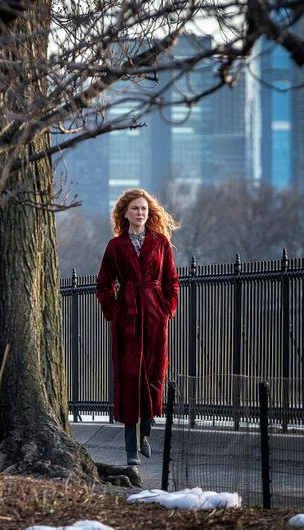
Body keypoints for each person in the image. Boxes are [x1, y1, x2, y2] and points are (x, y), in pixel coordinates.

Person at [96, 188, 179, 466]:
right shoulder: (115, 246)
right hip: (127, 319)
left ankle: (146, 432)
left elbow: (171, 280)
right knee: (129, 378)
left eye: (143, 208)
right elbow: (103, 283)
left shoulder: (160, 243)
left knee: (154, 375)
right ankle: (131, 449)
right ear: (125, 213)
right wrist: (114, 310)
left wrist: (167, 308)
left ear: (149, 211)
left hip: (156, 317)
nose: (140, 213)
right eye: (134, 209)